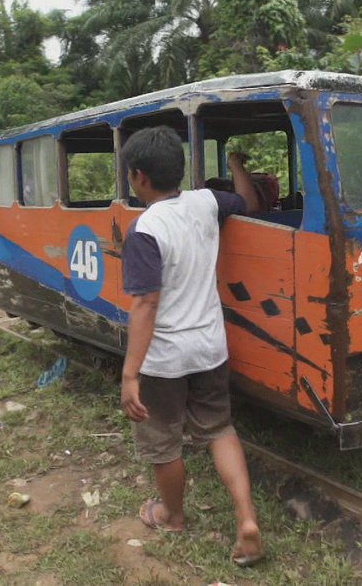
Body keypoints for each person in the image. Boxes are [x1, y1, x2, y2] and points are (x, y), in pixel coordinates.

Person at [118, 126, 265, 568]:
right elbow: (250, 202)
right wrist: (236, 166)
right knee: (219, 429)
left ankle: (173, 515)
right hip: (210, 346)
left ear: (139, 177)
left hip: (165, 358)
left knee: (163, 442)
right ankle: (246, 519)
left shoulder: (144, 229)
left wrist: (129, 375)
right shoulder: (207, 202)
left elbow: (146, 304)